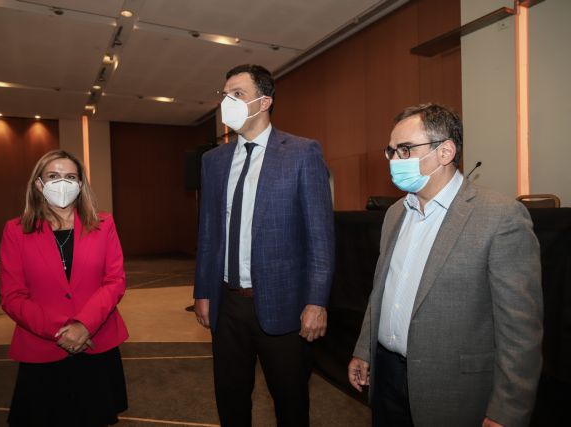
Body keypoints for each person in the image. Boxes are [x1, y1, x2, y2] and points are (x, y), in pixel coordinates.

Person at [348, 103, 543, 427]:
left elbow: (521, 331)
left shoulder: (500, 217)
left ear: (445, 152)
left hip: (453, 390)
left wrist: (507, 411)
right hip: (386, 378)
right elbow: (381, 290)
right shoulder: (395, 213)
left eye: (405, 149)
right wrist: (364, 349)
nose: (395, 160)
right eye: (391, 151)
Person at [193, 64, 335, 426]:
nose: (227, 101)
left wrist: (316, 301)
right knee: (231, 400)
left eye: (237, 94)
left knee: (290, 403)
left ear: (264, 102)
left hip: (285, 305)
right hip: (227, 305)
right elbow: (208, 233)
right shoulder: (213, 161)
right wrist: (203, 291)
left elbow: (320, 237)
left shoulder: (302, 153)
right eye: (225, 94)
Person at [0, 150, 129, 427]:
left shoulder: (103, 224)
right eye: (53, 176)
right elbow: (12, 296)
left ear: (80, 184)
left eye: (70, 177)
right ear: (39, 184)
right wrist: (61, 331)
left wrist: (84, 325)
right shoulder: (15, 231)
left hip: (96, 343)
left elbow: (115, 281)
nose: (62, 182)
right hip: (42, 345)